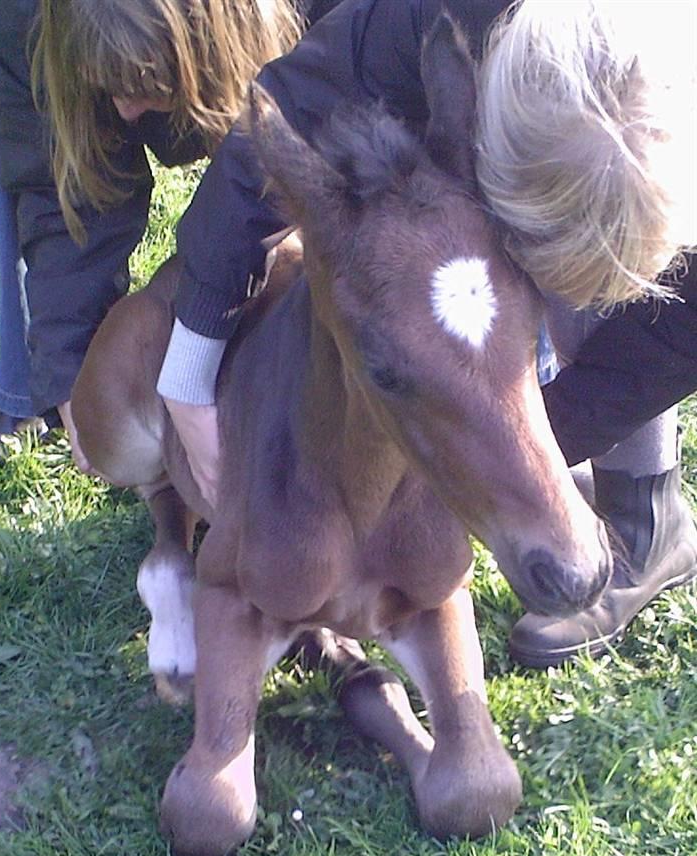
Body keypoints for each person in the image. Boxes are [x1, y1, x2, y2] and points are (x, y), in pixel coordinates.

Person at [143, 0, 695, 666]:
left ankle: (649, 514)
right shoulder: (432, 17)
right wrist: (189, 365)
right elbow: (281, 115)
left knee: (635, 320)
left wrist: (507, 456)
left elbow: (667, 349)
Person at [0, 0, 309, 464]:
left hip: (263, 46)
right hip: (39, 39)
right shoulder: (13, 17)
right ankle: (26, 393)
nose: (126, 112)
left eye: (142, 86)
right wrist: (70, 377)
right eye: (111, 87)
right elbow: (60, 193)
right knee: (46, 142)